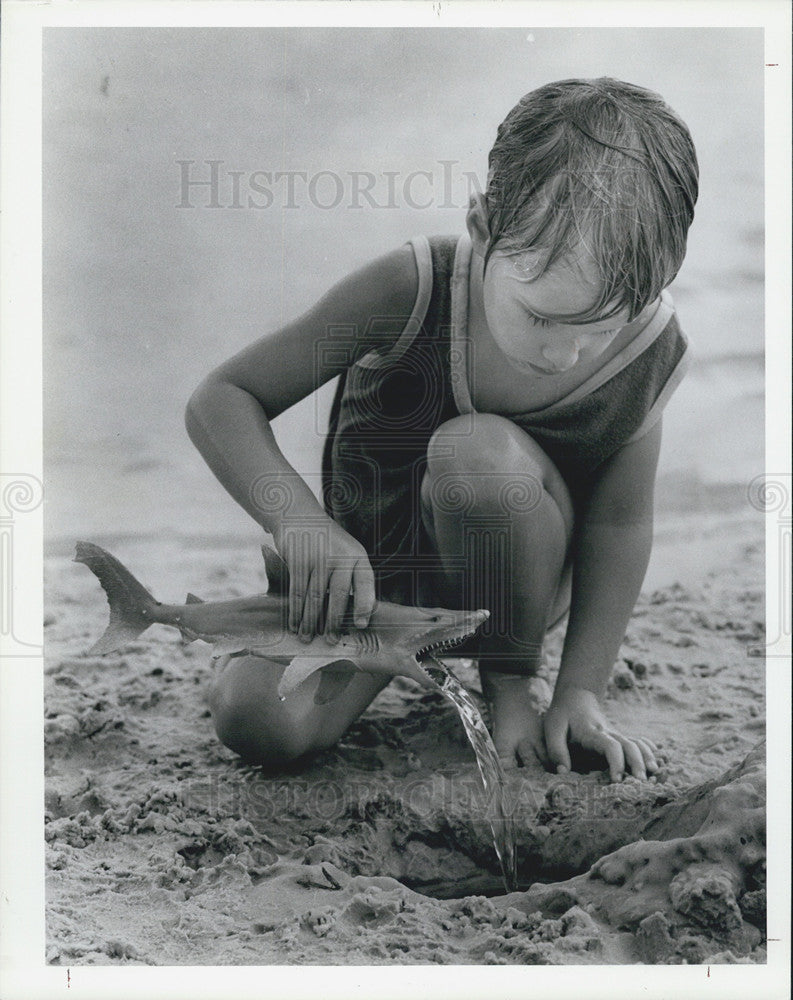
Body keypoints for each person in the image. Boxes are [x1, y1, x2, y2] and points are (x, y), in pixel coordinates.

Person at [185, 77, 698, 780]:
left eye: (599, 328)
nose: (562, 354)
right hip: (376, 592)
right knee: (258, 721)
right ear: (483, 229)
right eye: (542, 317)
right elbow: (224, 397)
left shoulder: (645, 353)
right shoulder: (410, 290)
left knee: (475, 455)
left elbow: (618, 525)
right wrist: (298, 524)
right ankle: (269, 661)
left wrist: (579, 690)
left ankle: (507, 683)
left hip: (516, 593)